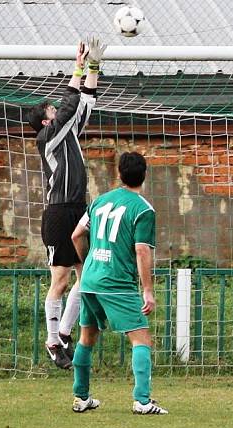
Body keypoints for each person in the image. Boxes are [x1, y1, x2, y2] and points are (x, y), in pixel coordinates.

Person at [27, 36, 106, 369]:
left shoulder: (66, 132)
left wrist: (94, 67)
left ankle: (63, 334)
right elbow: (70, 104)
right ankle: (51, 340)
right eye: (52, 110)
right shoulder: (48, 136)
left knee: (85, 276)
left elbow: (83, 101)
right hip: (58, 213)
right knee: (59, 281)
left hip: (78, 209)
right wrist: (77, 66)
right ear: (47, 121)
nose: (56, 110)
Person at [70, 152, 168, 414]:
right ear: (144, 175)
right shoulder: (143, 209)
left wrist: (87, 262)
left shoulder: (100, 202)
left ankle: (81, 397)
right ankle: (143, 401)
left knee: (86, 338)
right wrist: (148, 290)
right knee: (141, 339)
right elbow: (142, 250)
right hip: (116, 282)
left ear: (119, 174)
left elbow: (76, 235)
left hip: (90, 279)